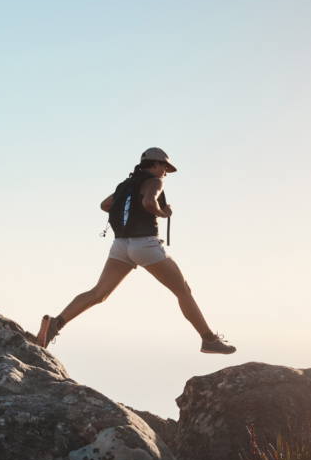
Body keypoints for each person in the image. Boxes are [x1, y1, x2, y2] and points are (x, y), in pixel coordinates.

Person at [35, 147, 236, 355]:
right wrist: (163, 213)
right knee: (183, 290)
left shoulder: (125, 185)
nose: (165, 173)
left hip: (121, 245)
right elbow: (149, 202)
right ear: (156, 164)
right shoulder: (155, 182)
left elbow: (105, 205)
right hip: (145, 244)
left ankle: (56, 324)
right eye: (165, 167)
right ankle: (209, 340)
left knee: (98, 293)